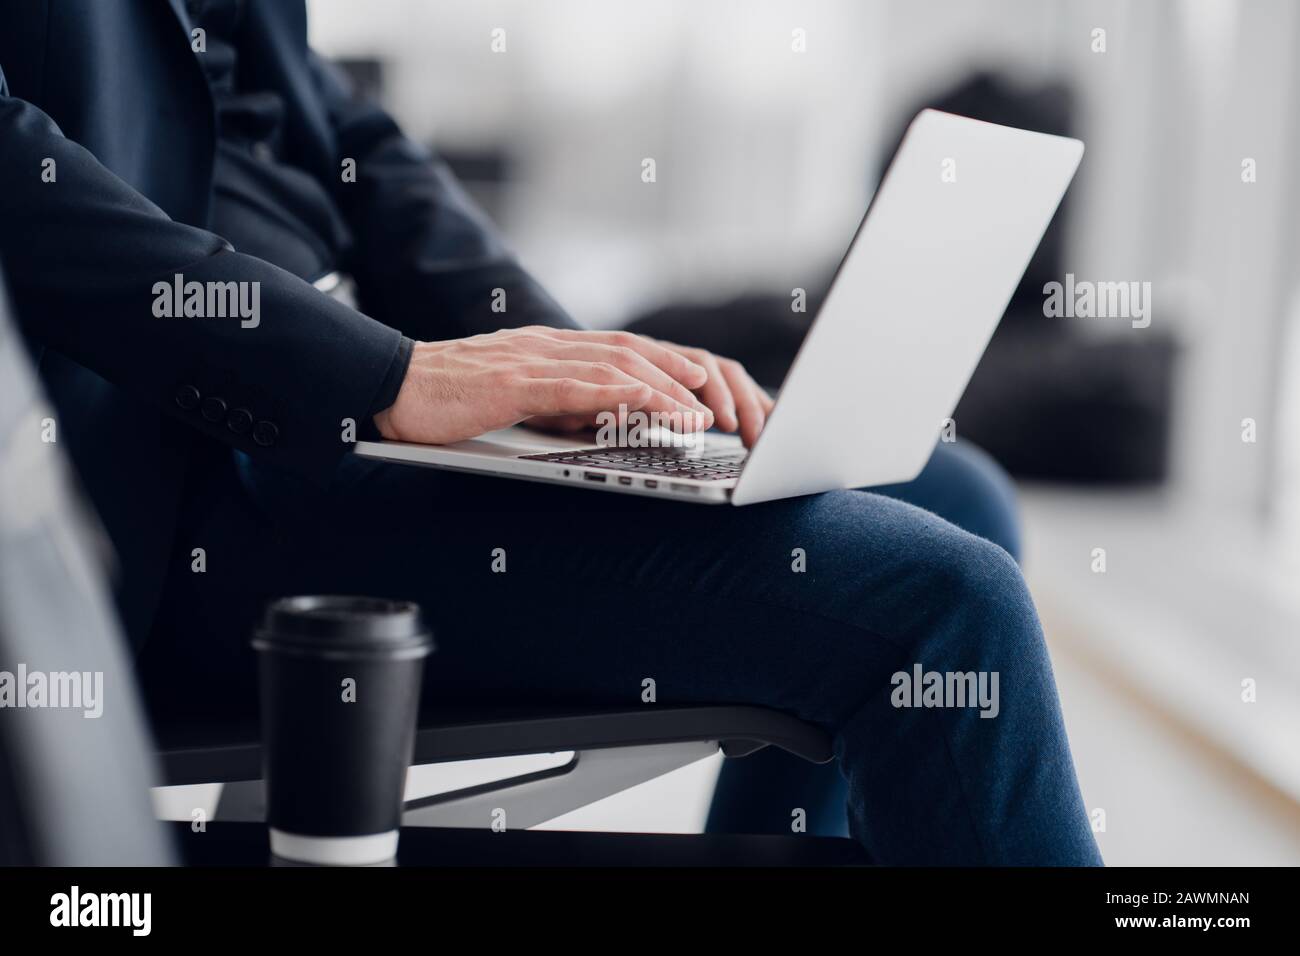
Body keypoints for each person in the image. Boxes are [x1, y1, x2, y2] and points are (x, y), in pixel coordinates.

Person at [0, 0, 1100, 864]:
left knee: (956, 495)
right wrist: (381, 373)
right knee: (944, 604)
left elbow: (344, 135)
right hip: (174, 477)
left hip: (355, 399)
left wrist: (566, 367)